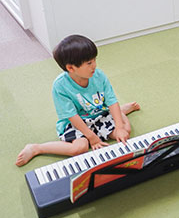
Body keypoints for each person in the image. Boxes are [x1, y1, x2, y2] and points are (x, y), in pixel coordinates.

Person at [16, 35, 140, 167]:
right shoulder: (60, 86)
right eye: (89, 63)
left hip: (99, 114)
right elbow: (71, 115)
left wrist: (119, 127)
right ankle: (36, 148)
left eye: (94, 60)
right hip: (76, 122)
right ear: (71, 68)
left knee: (125, 132)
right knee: (79, 148)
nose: (94, 65)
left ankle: (120, 112)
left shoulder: (99, 75)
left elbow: (111, 101)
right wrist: (91, 137)